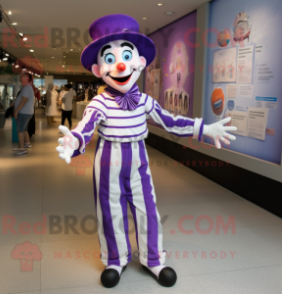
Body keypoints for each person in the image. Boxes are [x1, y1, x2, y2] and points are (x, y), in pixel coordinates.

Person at [56, 14, 238, 288]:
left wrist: (203, 129)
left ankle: (153, 259)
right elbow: (86, 127)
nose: (119, 64)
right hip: (108, 162)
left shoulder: (144, 101)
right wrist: (75, 142)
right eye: (110, 59)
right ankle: (115, 260)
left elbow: (170, 121)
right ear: (98, 70)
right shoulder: (99, 102)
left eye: (126, 56)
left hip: (139, 161)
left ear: (139, 62)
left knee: (147, 210)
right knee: (110, 211)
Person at [12, 72, 35, 156]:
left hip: (24, 112)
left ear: (26, 78)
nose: (20, 77)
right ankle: (27, 143)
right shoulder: (27, 87)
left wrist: (16, 111)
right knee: (24, 129)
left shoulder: (27, 87)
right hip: (27, 112)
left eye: (22, 76)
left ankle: (22, 149)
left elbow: (24, 100)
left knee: (20, 130)